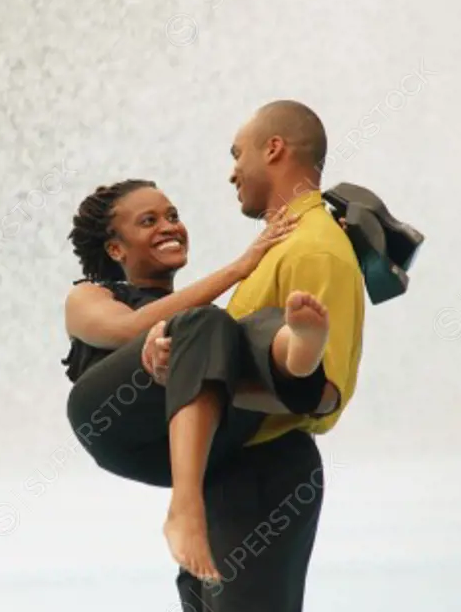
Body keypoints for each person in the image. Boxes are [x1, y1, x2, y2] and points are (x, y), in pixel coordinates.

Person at [143, 100, 365, 611]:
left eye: (237, 153)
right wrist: (178, 364)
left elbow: (322, 395)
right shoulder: (279, 249)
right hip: (231, 472)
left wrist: (204, 381)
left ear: (274, 149)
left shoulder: (313, 249)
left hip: (267, 475)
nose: (231, 172)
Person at [63, 179, 340, 582]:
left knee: (243, 332)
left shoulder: (202, 328)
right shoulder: (90, 296)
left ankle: (299, 360)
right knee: (206, 323)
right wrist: (241, 266)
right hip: (111, 424)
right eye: (149, 220)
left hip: (191, 443)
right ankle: (184, 507)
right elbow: (129, 329)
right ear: (115, 248)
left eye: (173, 216)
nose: (169, 226)